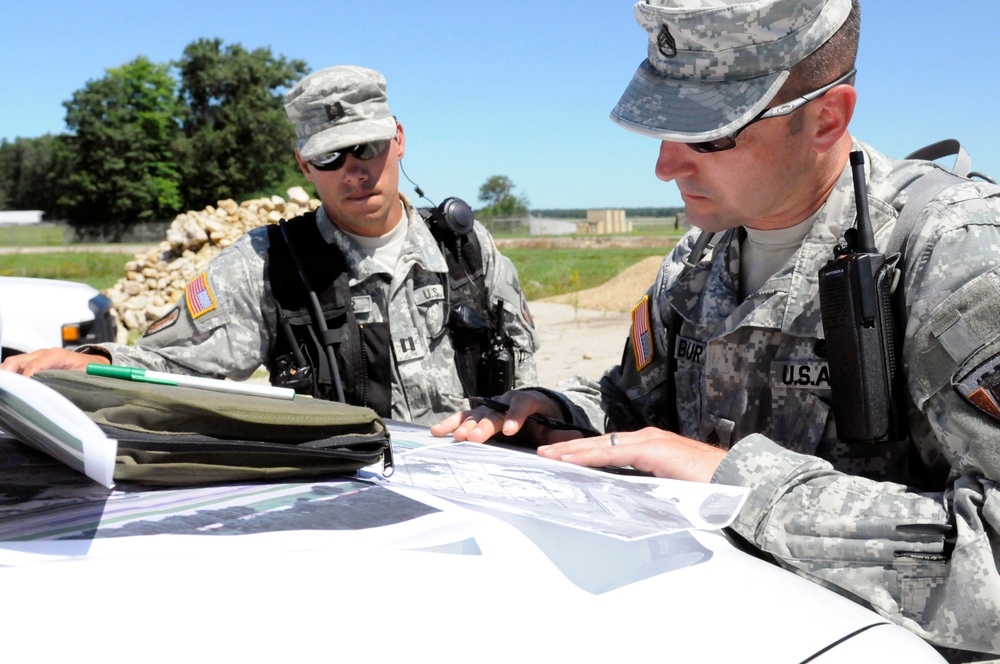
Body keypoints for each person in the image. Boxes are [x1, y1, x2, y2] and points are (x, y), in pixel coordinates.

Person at [432, 1, 1000, 660]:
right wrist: (556, 413)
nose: (665, 168)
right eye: (663, 131)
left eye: (709, 136)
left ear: (826, 120)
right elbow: (637, 408)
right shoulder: (701, 253)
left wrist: (738, 479)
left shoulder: (955, 258)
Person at [2, 65, 540, 426]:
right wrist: (90, 362)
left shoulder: (466, 248)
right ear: (304, 165)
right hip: (359, 504)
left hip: (483, 487)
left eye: (367, 147)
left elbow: (525, 369)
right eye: (330, 157)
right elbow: (175, 369)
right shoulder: (268, 264)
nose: (354, 172)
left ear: (398, 139)